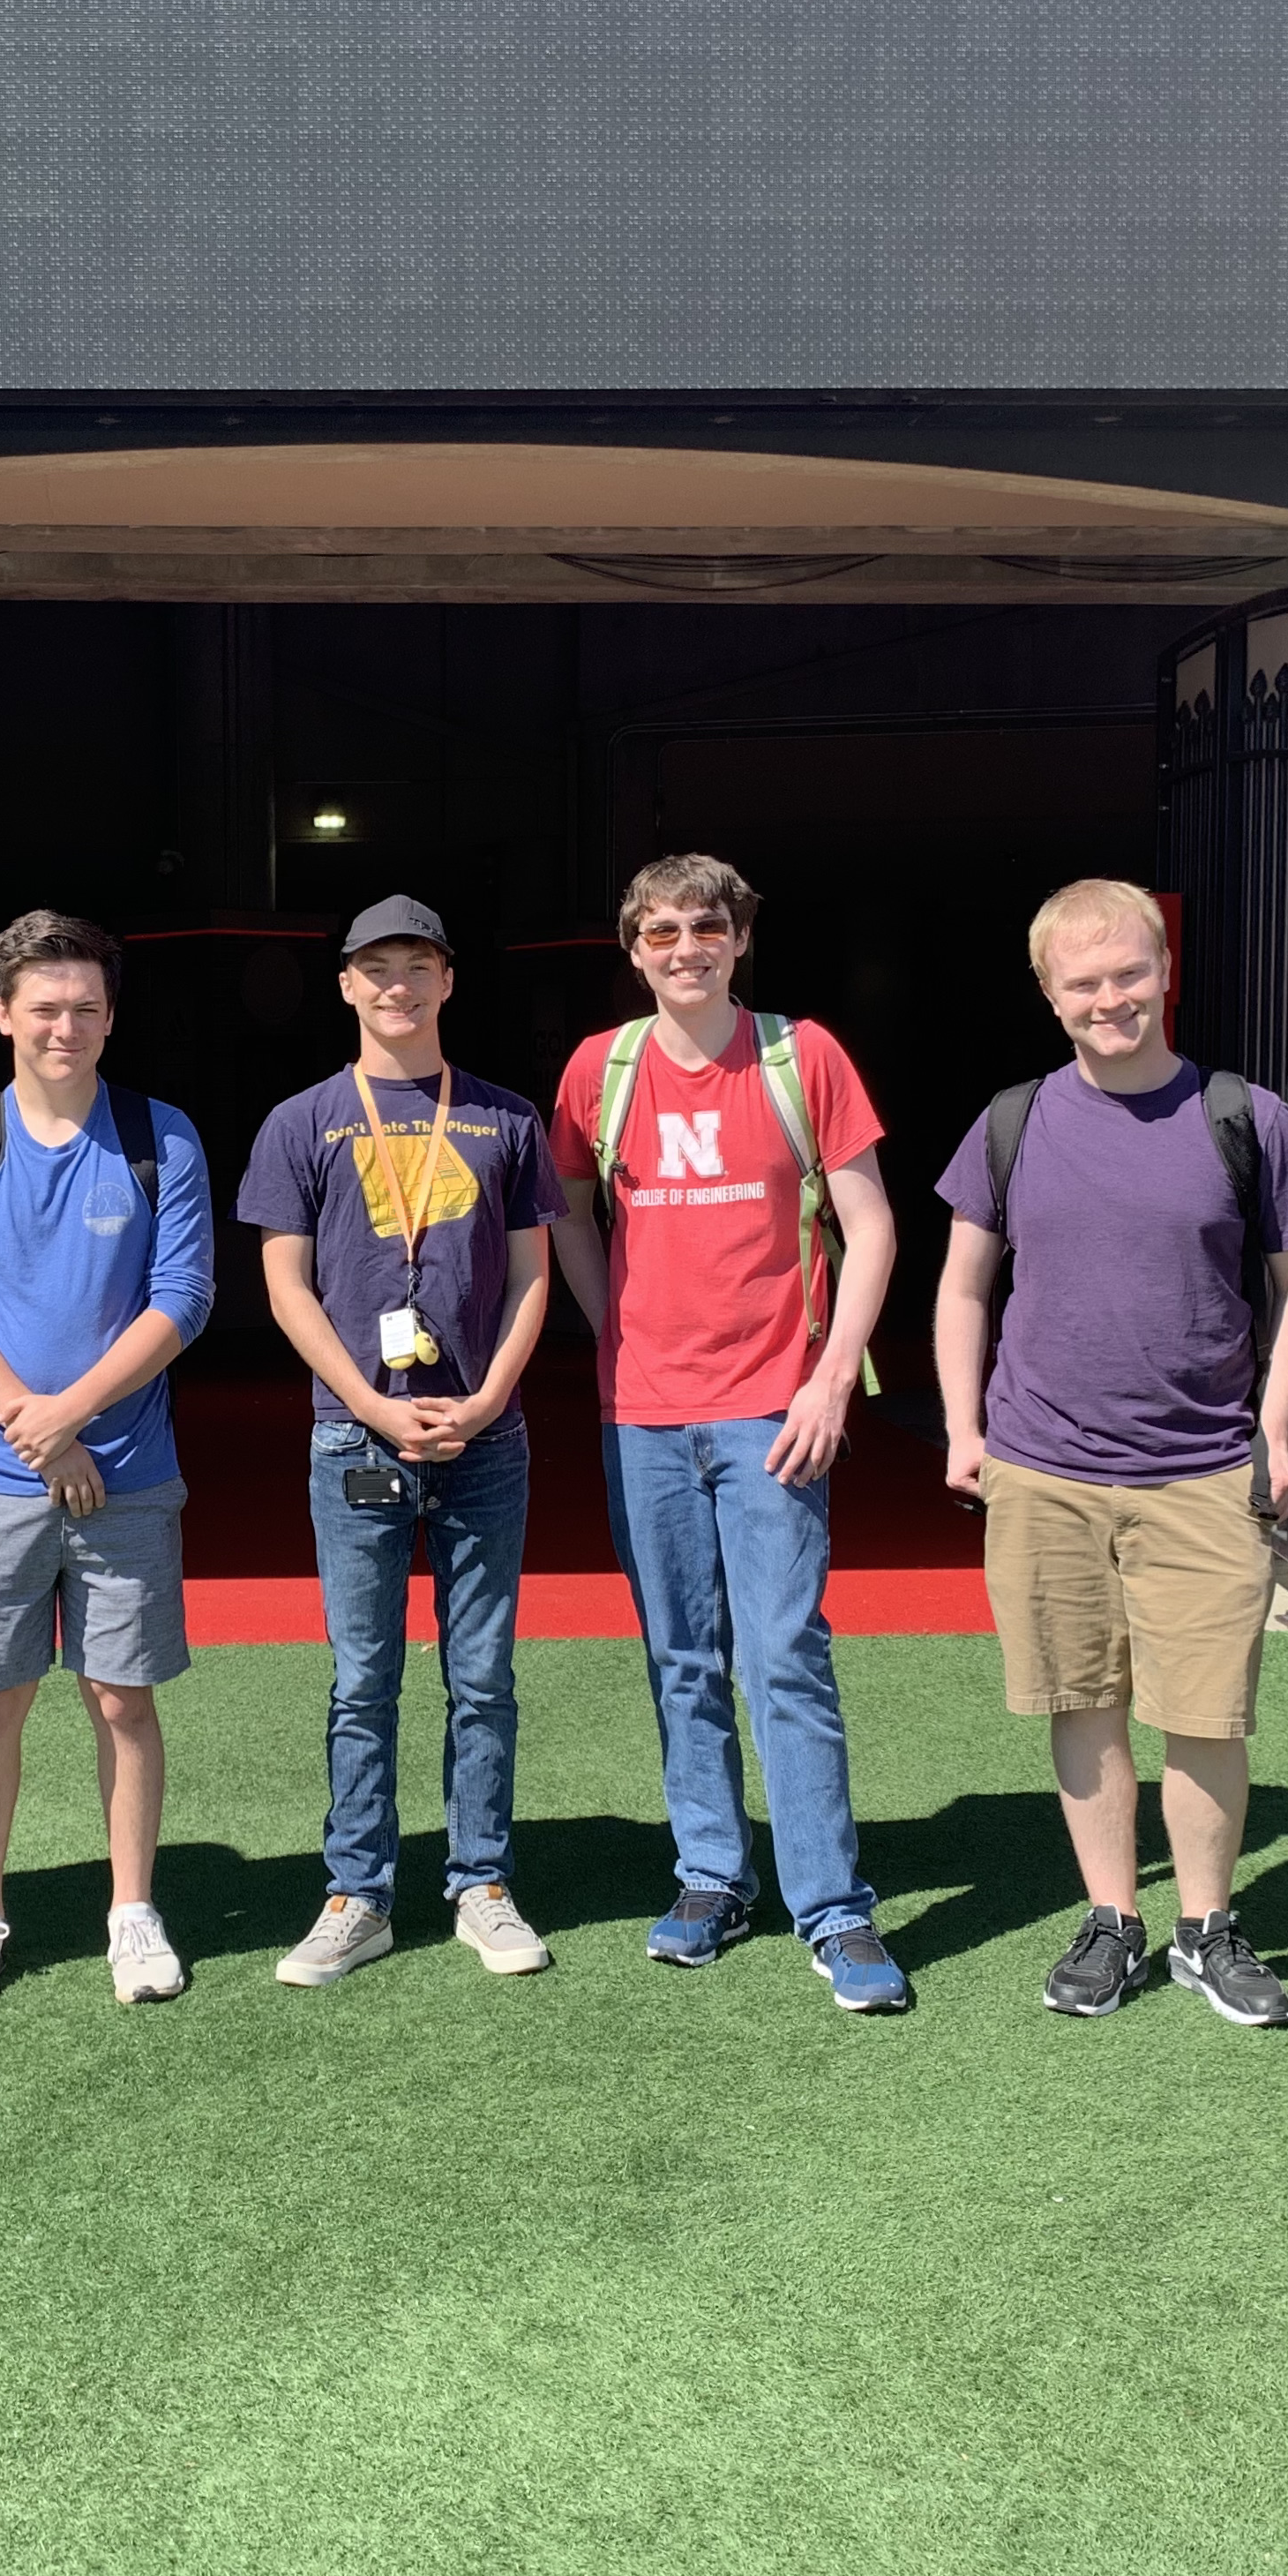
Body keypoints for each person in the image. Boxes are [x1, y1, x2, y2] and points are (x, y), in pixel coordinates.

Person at [932, 878, 1288, 2029]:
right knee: (1082, 1700)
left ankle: (1203, 1929)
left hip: (1203, 1469)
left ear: (1164, 973)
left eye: (1125, 974)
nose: (1106, 998)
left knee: (1206, 1714)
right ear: (1050, 997)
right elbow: (962, 1288)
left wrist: (1273, 1430)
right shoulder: (1011, 1120)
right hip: (1040, 1467)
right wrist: (964, 1430)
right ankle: (1111, 1918)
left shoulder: (1243, 1116)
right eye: (1080, 982)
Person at [547, 853, 910, 2012]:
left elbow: (870, 1225)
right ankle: (709, 1875)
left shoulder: (801, 1057)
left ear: (738, 938)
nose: (682, 947)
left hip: (771, 1407)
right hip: (643, 1411)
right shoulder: (595, 1072)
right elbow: (563, 1213)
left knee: (783, 1658)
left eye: (703, 926)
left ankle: (833, 1909)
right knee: (677, 1658)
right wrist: (612, 1330)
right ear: (631, 948)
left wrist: (824, 1383)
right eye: (657, 932)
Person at [236, 896, 562, 1986]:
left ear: (447, 979)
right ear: (344, 985)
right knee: (361, 1678)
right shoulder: (302, 1120)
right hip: (356, 1438)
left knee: (482, 1675)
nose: (397, 987)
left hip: (485, 1439)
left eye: (417, 965)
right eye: (375, 968)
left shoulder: (504, 1118)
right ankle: (357, 1892)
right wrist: (369, 1404)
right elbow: (285, 1287)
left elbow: (530, 1278)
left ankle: (482, 1882)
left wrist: (486, 1401)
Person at [0, 910, 213, 2011]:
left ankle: (132, 1909)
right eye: (44, 1007)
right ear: (2, 1014)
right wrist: (34, 1427)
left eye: (85, 1006)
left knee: (123, 1699)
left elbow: (183, 1297)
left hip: (124, 1465)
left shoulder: (160, 1133)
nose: (64, 1025)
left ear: (111, 1014)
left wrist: (68, 1415)